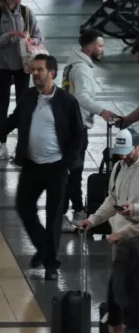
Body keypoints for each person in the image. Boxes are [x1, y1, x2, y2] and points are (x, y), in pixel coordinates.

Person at [0, 55, 85, 280]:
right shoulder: (29, 96)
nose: (35, 74)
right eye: (33, 71)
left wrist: (68, 164)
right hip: (32, 164)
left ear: (52, 73)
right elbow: (14, 119)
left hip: (57, 167)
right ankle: (43, 247)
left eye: (40, 70)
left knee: (54, 215)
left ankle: (51, 264)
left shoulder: (66, 101)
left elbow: (79, 133)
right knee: (24, 206)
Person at [65, 30, 117, 229]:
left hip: (71, 123)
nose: (102, 49)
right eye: (100, 45)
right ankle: (78, 210)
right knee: (75, 170)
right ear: (89, 47)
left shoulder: (75, 63)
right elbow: (82, 97)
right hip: (76, 126)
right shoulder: (81, 69)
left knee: (73, 168)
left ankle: (75, 207)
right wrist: (102, 111)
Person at [0, 0, 43, 161]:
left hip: (22, 65)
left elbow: (39, 35)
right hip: (1, 65)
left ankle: (22, 146)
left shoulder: (26, 12)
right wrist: (10, 35)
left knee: (23, 105)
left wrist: (32, 41)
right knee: (2, 104)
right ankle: (2, 143)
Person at [77, 128, 139, 243]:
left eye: (128, 152)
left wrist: (134, 208)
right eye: (121, 153)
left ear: (137, 147)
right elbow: (112, 200)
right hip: (118, 237)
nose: (124, 157)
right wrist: (92, 221)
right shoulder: (118, 167)